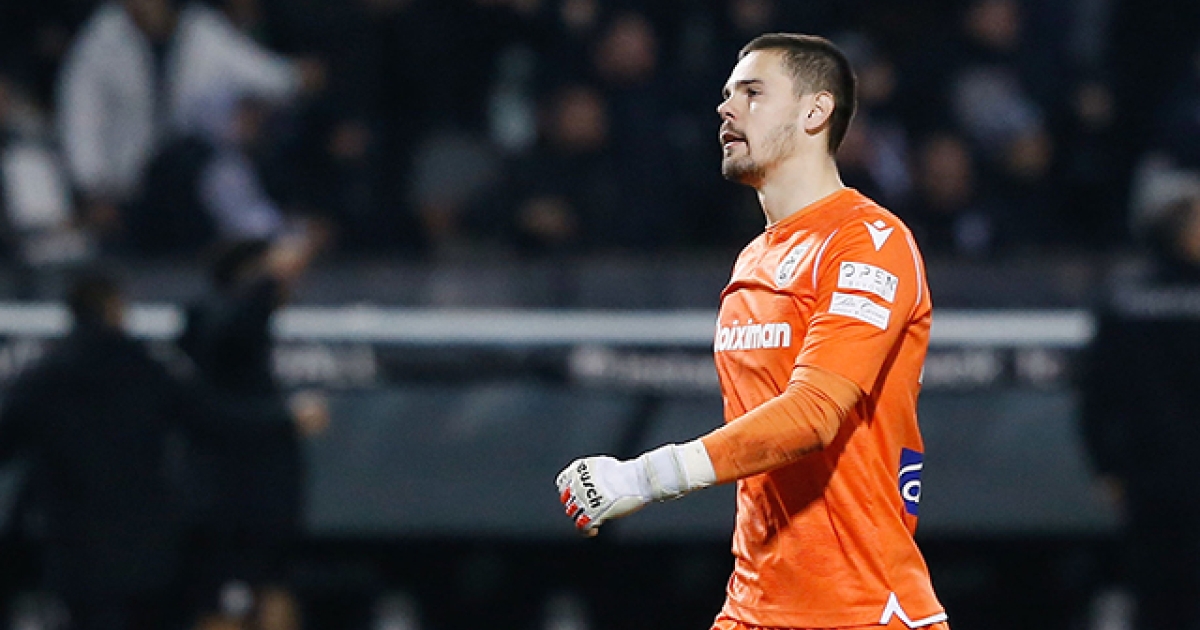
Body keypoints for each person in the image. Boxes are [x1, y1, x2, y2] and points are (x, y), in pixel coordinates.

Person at [555, 33, 948, 629]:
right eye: (726, 94)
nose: (726, 108)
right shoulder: (753, 259)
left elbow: (814, 414)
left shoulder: (869, 241)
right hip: (753, 607)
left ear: (815, 111)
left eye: (752, 93)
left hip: (864, 609)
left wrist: (645, 476)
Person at [0, 272, 319, 630]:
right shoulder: (145, 368)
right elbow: (216, 421)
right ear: (114, 308)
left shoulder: (43, 377)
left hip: (75, 547)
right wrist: (285, 419)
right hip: (147, 547)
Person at [179, 223, 328, 628]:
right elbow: (213, 406)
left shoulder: (246, 331)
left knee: (274, 588)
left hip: (262, 497)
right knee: (221, 598)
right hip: (228, 494)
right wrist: (269, 278)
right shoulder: (213, 319)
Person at [1082, 194, 1200, 630]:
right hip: (1157, 470)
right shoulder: (1127, 300)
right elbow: (1099, 391)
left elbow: (1094, 394)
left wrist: (1105, 465)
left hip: (1145, 469)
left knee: (1156, 588)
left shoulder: (1122, 298)